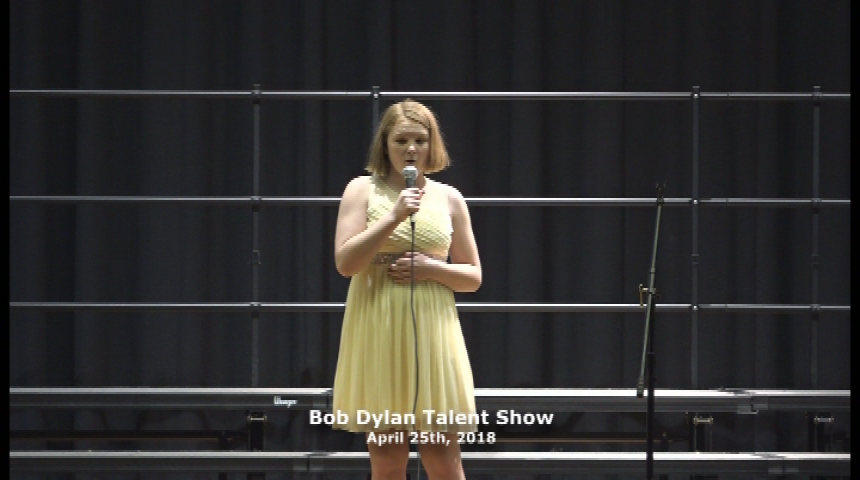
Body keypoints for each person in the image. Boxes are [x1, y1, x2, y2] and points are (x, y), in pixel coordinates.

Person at [331, 99, 482, 479]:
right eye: (401, 140)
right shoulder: (361, 189)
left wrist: (432, 269)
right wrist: (394, 216)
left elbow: (473, 277)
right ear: (385, 144)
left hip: (432, 330)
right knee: (386, 457)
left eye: (420, 140)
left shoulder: (449, 197)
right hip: (378, 326)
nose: (411, 149)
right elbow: (346, 263)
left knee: (443, 456)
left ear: (432, 145)